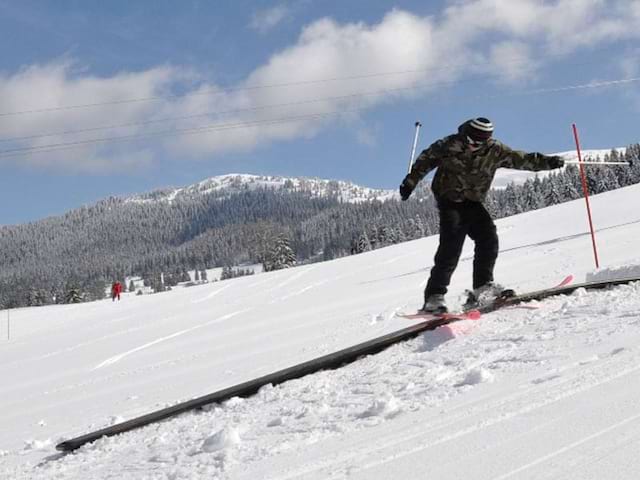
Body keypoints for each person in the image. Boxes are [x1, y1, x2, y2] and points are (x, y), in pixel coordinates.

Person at [399, 117, 564, 313]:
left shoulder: (494, 149)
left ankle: (483, 287)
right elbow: (424, 161)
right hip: (449, 198)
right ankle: (434, 297)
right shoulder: (448, 145)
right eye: (472, 141)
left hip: (473, 200)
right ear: (465, 135)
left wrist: (549, 162)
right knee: (451, 246)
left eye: (480, 142)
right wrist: (410, 182)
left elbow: (522, 159)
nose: (475, 146)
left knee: (488, 237)